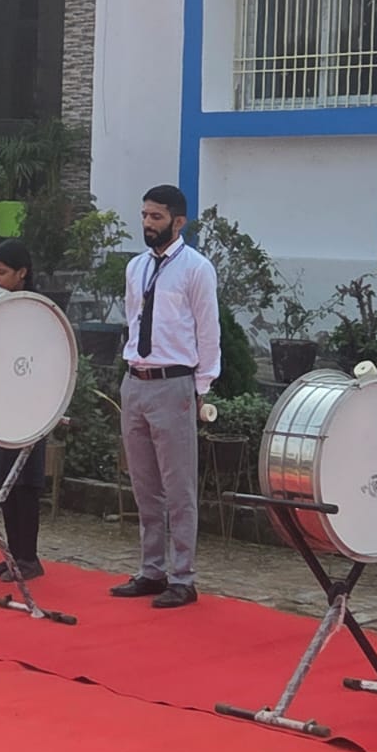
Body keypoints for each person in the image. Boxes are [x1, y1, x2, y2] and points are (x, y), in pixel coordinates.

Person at [111, 184, 220, 609]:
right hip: (136, 379)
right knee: (144, 484)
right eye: (144, 215)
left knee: (179, 486)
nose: (147, 224)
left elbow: (208, 330)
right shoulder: (136, 267)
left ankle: (183, 576)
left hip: (174, 382)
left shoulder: (196, 268)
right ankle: (151, 569)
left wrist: (202, 386)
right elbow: (133, 317)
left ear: (178, 221)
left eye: (156, 217)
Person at [0, 239, 47, 582]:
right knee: (4, 483)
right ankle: (11, 555)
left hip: (31, 408)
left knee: (24, 485)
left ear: (22, 273)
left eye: (2, 273)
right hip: (2, 404)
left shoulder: (39, 310)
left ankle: (28, 557)